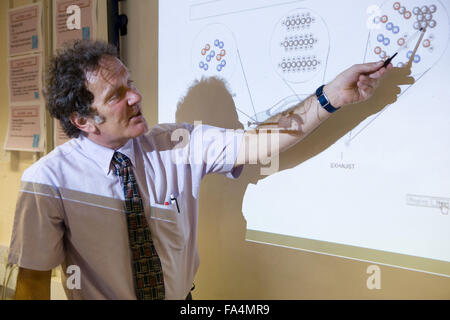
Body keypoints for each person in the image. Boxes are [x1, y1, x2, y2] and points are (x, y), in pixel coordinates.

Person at [8, 40, 390, 300]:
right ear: (83, 120)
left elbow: (260, 141)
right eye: (117, 95)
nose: (136, 97)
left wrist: (330, 97)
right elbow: (32, 280)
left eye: (131, 84)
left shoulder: (176, 142)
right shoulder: (48, 181)